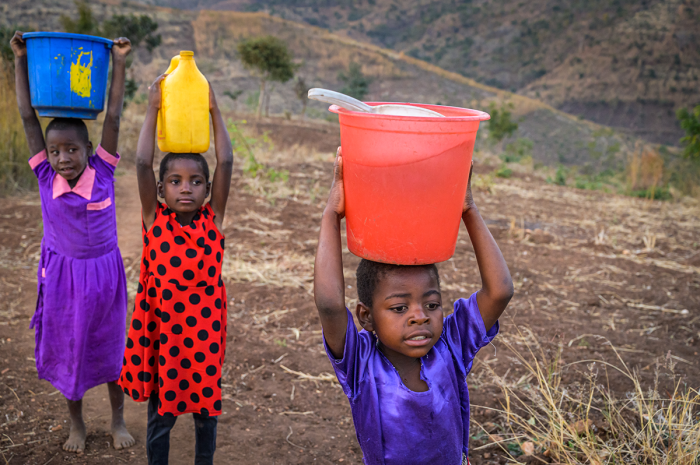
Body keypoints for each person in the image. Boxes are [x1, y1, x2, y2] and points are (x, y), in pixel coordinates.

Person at [314, 149, 514, 464]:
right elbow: (329, 305)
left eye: (431, 303)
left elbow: (500, 291)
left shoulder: (451, 346)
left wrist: (468, 209)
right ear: (366, 316)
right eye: (399, 308)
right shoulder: (361, 364)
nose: (419, 316)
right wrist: (331, 214)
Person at [11, 31, 135, 453]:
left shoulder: (102, 173)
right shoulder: (46, 177)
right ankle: (77, 423)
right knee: (71, 350)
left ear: (88, 149)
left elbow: (113, 117)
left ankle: (118, 419)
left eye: (71, 149)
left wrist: (118, 62)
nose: (63, 158)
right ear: (46, 155)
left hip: (103, 277)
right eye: (55, 151)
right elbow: (29, 116)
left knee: (110, 350)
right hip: (62, 279)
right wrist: (20, 59)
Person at [119, 73, 233, 465]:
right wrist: (152, 108)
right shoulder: (156, 220)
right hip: (164, 336)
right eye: (175, 181)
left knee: (206, 417)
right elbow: (140, 161)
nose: (186, 188)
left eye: (196, 181)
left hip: (203, 338)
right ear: (162, 188)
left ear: (206, 188)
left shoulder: (211, 222)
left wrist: (214, 108)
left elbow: (228, 160)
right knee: (161, 419)